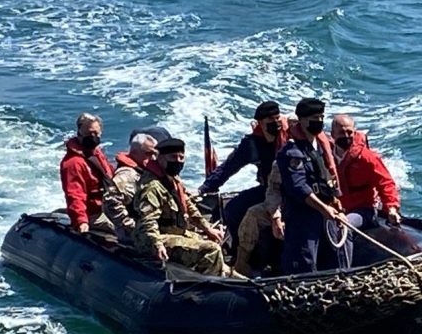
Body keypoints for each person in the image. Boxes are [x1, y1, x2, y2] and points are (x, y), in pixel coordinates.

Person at [132, 137, 230, 277]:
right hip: (154, 239)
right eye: (173, 157)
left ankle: (236, 278)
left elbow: (188, 206)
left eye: (181, 157)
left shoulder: (173, 180)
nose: (177, 161)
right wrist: (157, 244)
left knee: (212, 242)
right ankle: (208, 288)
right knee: (211, 250)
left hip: (175, 232)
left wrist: (207, 228)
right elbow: (148, 220)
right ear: (160, 158)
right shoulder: (152, 186)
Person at [276, 97, 352, 274]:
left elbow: (326, 178)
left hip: (326, 214)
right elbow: (299, 188)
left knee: (336, 260)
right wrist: (324, 209)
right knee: (305, 262)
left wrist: (335, 204)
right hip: (304, 216)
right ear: (302, 120)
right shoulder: (292, 152)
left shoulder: (321, 147)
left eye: (321, 117)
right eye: (313, 118)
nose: (318, 122)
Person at [198, 101, 288, 248]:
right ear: (260, 122)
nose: (276, 122)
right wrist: (204, 188)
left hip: (292, 190)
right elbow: (228, 167)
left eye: (277, 118)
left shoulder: (291, 138)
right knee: (232, 209)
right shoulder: (253, 144)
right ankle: (240, 252)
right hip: (267, 189)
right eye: (270, 120)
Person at [330, 114, 402, 228]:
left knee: (343, 225)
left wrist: (391, 208)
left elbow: (386, 183)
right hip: (335, 208)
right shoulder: (326, 155)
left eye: (349, 132)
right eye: (341, 133)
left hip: (363, 209)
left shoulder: (366, 158)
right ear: (333, 134)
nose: (346, 136)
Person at [59, 112, 115, 234]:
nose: (93, 137)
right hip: (94, 214)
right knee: (126, 230)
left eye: (96, 133)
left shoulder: (96, 153)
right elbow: (75, 194)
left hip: (110, 205)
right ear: (80, 133)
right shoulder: (73, 163)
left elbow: (110, 174)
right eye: (89, 134)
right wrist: (81, 221)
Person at [103, 131, 158, 244]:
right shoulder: (127, 175)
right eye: (148, 153)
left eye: (154, 153)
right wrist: (129, 225)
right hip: (134, 235)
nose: (152, 158)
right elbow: (110, 202)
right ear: (135, 153)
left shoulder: (145, 172)